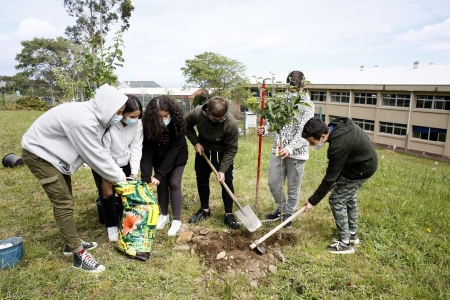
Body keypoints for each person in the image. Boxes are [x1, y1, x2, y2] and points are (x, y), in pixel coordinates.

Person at [21, 84, 128, 273]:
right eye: (118, 112)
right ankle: (78, 255)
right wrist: (120, 178)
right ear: (107, 107)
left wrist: (117, 173)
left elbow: (100, 150)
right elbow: (95, 156)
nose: (119, 116)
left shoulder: (95, 118)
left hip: (53, 155)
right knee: (63, 203)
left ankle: (70, 242)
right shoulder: (83, 121)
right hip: (39, 154)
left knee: (65, 199)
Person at [302, 117, 378, 254]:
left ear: (323, 136)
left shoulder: (338, 146)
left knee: (336, 199)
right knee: (348, 195)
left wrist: (312, 201)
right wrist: (335, 181)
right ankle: (352, 234)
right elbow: (336, 173)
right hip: (359, 162)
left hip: (362, 168)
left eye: (312, 142)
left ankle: (345, 243)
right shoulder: (336, 125)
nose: (312, 146)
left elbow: (330, 177)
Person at [257, 70, 314, 228]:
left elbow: (305, 130)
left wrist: (290, 147)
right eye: (289, 89)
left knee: (293, 187)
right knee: (273, 182)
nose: (292, 93)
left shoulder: (307, 105)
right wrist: (266, 130)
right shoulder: (281, 101)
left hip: (297, 153)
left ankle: (288, 214)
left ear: (302, 86)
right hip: (278, 148)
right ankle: (281, 209)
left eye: (295, 90)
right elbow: (275, 121)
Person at [91, 94, 143, 242]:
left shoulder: (138, 125)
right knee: (107, 193)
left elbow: (136, 147)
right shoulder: (110, 125)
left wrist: (134, 170)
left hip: (124, 162)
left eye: (137, 116)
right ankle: (111, 226)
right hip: (105, 163)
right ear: (123, 113)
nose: (135, 119)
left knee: (124, 193)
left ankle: (123, 221)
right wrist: (116, 173)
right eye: (132, 116)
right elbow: (104, 152)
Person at [185, 96, 240, 229]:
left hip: (222, 152)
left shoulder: (231, 124)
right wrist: (195, 142)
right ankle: (205, 210)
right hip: (203, 150)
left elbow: (231, 149)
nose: (218, 121)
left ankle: (228, 214)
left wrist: (222, 170)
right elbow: (186, 125)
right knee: (202, 179)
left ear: (225, 114)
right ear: (208, 111)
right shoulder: (197, 113)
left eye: (220, 119)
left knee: (226, 181)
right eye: (215, 119)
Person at [140, 95, 188, 236]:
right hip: (158, 157)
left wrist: (160, 174)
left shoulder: (179, 123)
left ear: (171, 113)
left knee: (173, 183)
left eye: (166, 116)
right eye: (159, 118)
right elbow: (147, 149)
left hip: (177, 157)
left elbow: (174, 150)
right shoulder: (148, 125)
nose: (163, 120)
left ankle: (177, 220)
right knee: (161, 184)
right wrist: (147, 175)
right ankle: (164, 215)